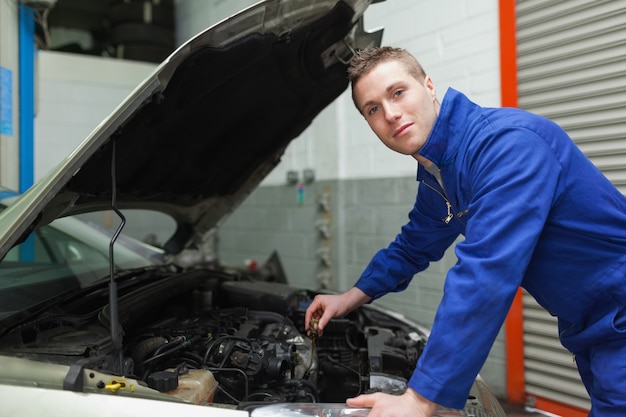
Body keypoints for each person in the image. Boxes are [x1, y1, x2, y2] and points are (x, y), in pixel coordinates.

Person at [304, 46, 626, 417]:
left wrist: (420, 399)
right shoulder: (439, 173)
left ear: (429, 86)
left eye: (397, 92)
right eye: (373, 109)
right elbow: (413, 245)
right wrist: (351, 297)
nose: (390, 114)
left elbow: (486, 273)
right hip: (592, 328)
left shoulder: (507, 146)